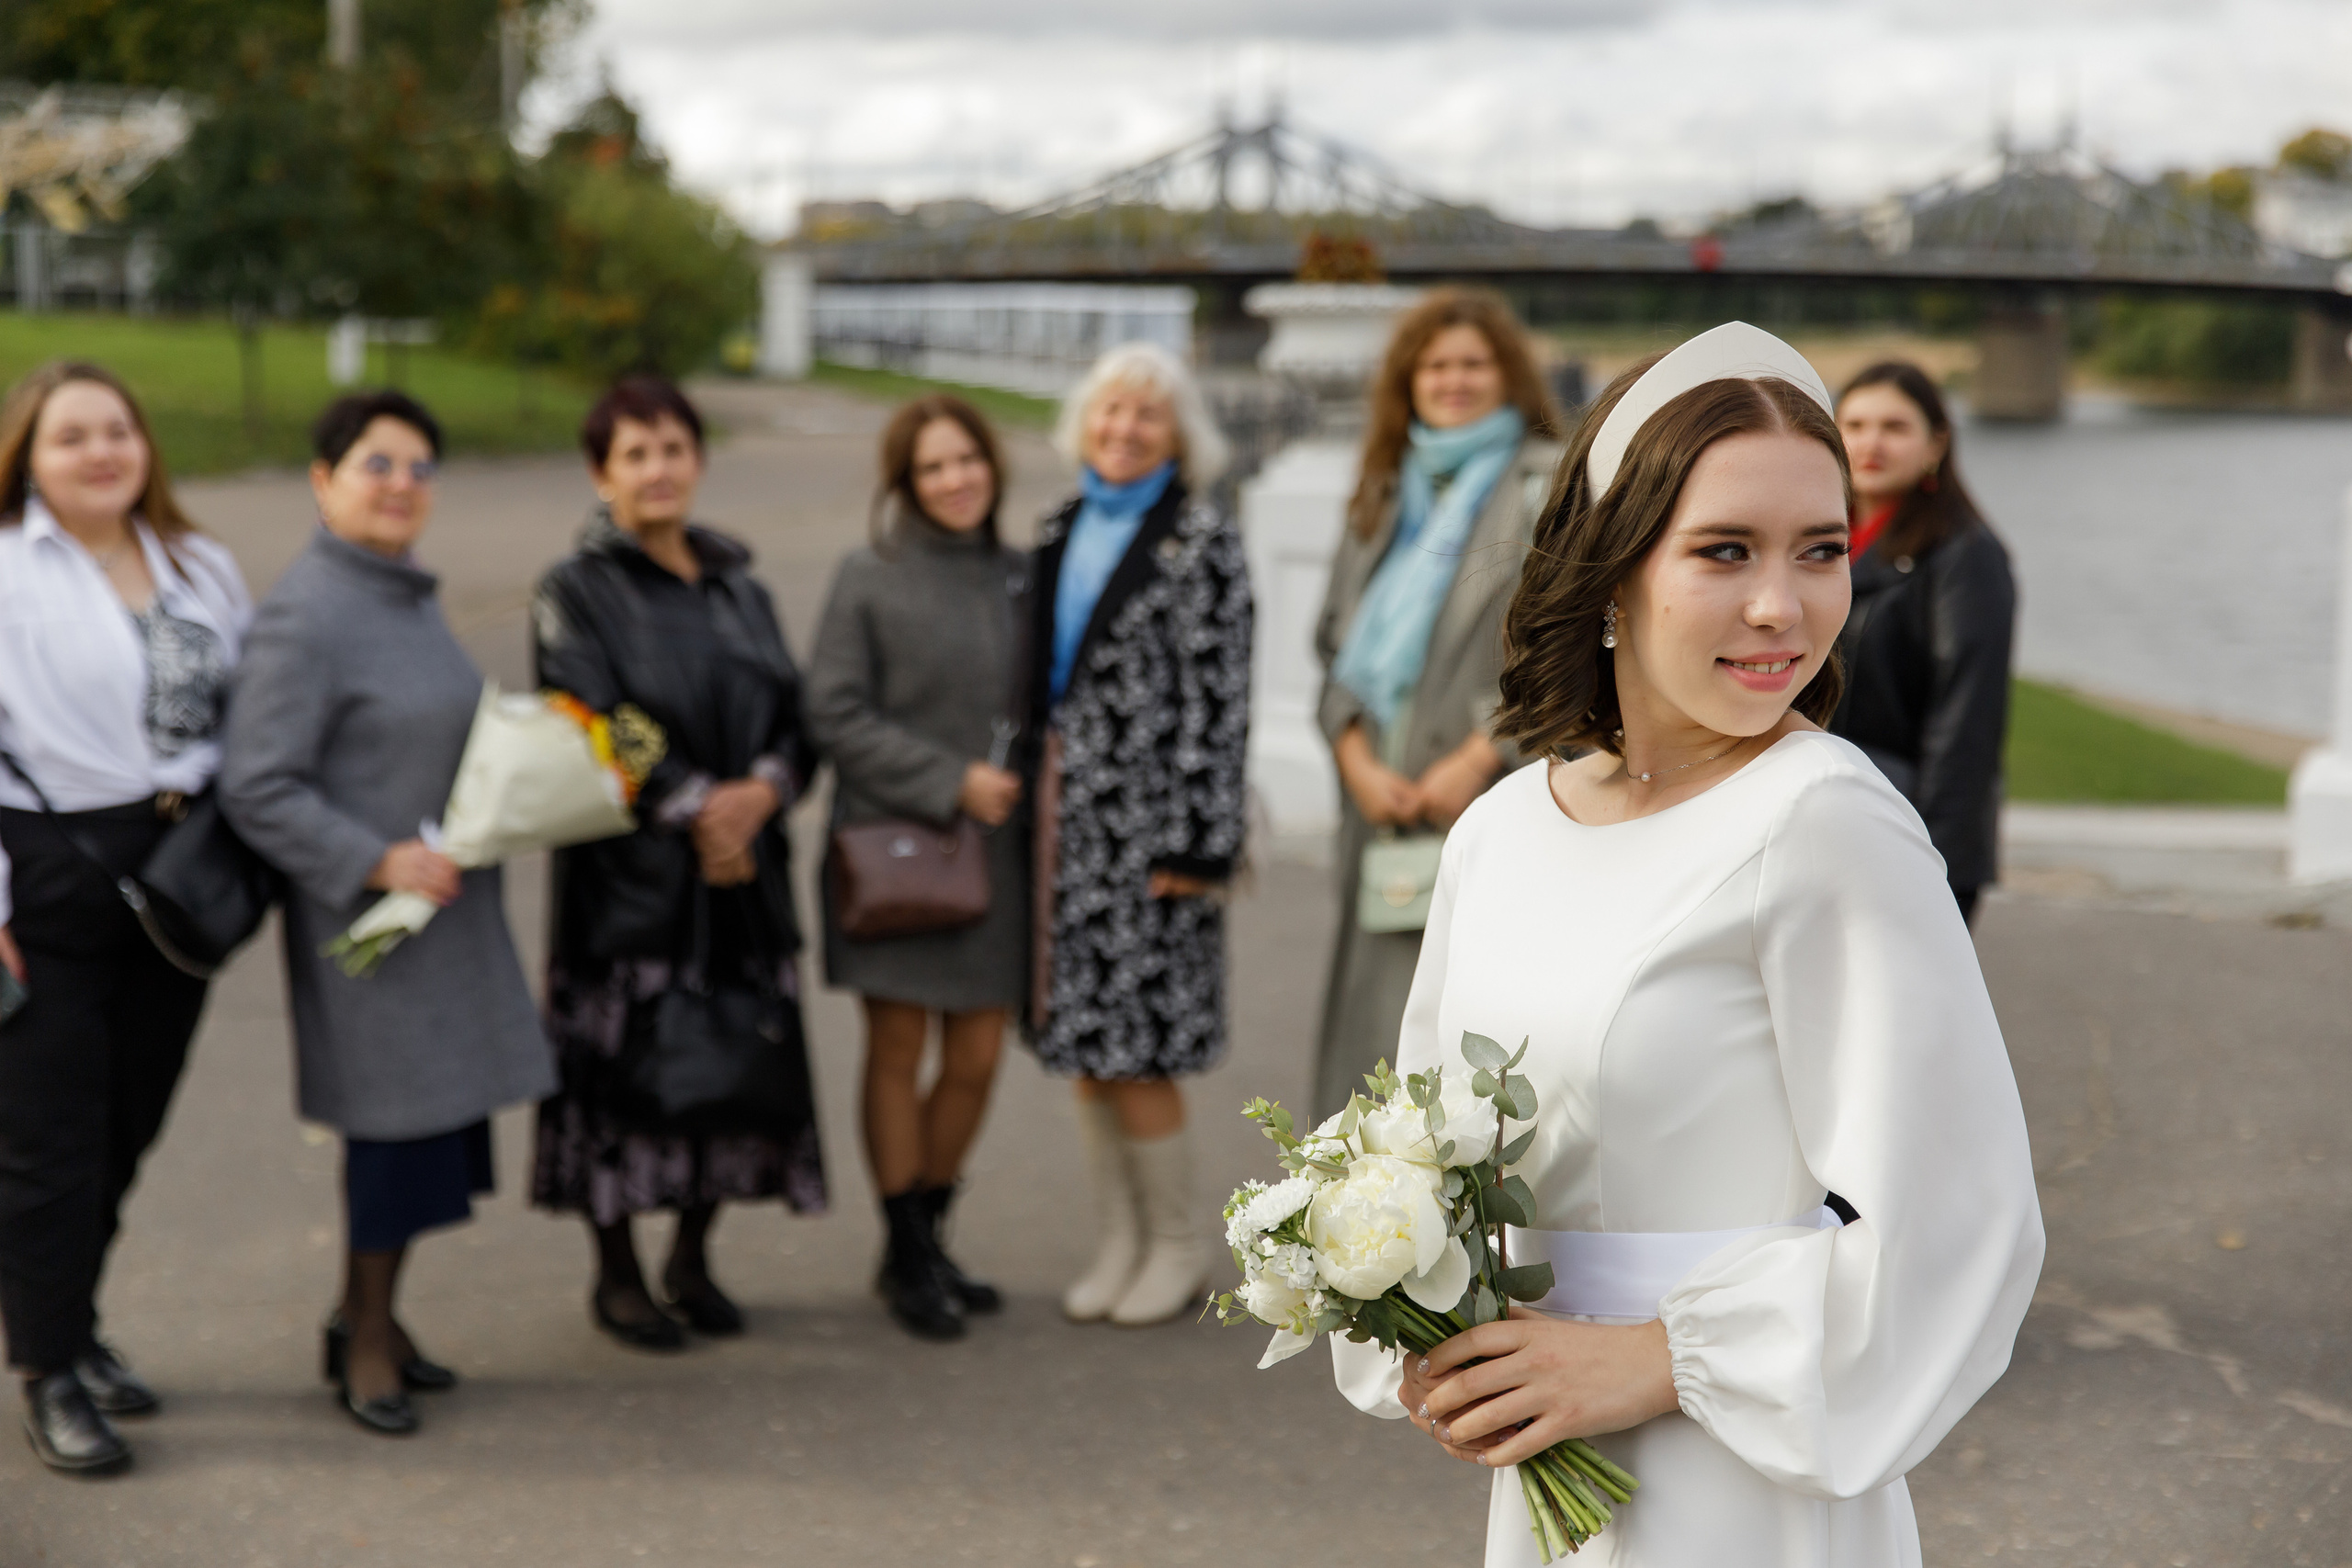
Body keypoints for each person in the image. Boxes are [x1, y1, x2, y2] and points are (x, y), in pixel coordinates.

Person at [1333, 324, 2043, 1566]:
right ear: (1612, 567)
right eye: (1725, 550)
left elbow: (1962, 1220)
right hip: (1556, 1471)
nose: (1784, 604)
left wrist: (1660, 1356)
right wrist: (1423, 1305)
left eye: (1821, 550)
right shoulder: (1500, 833)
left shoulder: (1824, 819)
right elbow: (1427, 1145)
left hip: (1751, 1476)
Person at [220, 390, 553, 1438]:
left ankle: (376, 1316)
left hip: (438, 917)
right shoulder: (307, 612)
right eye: (377, 464)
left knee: (428, 1132)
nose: (402, 485)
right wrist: (373, 860)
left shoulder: (401, 596)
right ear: (324, 482)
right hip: (368, 931)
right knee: (388, 1135)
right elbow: (257, 781)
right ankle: (364, 1335)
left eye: (419, 467)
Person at [529, 377, 824, 1351]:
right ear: (600, 474)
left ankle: (693, 1257)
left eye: (673, 450)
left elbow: (796, 717)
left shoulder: (743, 587)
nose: (659, 470)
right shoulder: (574, 590)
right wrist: (700, 805)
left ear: (697, 460)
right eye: (635, 454)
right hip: (631, 885)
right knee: (623, 1075)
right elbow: (597, 715)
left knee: (740, 1065)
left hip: (745, 879)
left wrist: (762, 794)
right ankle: (616, 1276)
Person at [0, 363, 251, 1473]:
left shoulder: (202, 566)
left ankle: (77, 1324)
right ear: (29, 458)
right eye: (71, 438)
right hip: (49, 867)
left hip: (180, 873)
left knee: (125, 1129)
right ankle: (48, 1371)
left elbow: (247, 721)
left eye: (118, 431)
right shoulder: (7, 569)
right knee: (49, 1145)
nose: (101, 452)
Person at [1024, 342, 1251, 1329]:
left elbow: (1220, 703)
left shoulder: (1200, 539)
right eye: (1109, 413)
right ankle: (1118, 1237)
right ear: (1083, 424)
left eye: (1145, 417)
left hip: (1155, 835)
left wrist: (1201, 846)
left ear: (1178, 436)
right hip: (1065, 829)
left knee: (1142, 1050)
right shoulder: (1056, 524)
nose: (1122, 431)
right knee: (1086, 1045)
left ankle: (1175, 1245)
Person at [1310, 288, 1562, 1119]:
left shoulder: (1545, 488)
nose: (1454, 380)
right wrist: (1354, 759)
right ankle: (1362, 1228)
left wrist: (1479, 758)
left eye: (1474, 364)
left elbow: (1568, 653)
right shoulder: (1385, 493)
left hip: (1490, 797)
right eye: (1437, 364)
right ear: (1408, 381)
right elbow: (1332, 643)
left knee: (1473, 1047)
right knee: (1370, 1039)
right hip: (1379, 802)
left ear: (1510, 377)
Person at [808, 396, 1027, 1342]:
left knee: (975, 1058)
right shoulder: (868, 576)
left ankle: (928, 1234)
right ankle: (905, 1250)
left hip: (997, 862)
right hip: (894, 857)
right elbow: (833, 712)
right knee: (897, 1052)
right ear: (905, 483)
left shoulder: (1025, 577)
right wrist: (949, 781)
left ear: (991, 466)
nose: (954, 480)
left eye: (966, 460)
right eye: (933, 467)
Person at [1831, 361, 2016, 924]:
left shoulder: (1966, 555)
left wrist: (1930, 857)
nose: (1871, 443)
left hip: (1911, 831)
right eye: (1855, 425)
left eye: (1894, 427)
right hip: (1832, 823)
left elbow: (1966, 722)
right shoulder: (1820, 542)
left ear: (1936, 442)